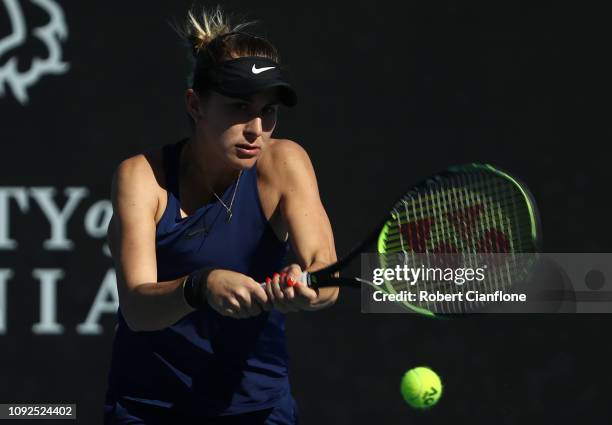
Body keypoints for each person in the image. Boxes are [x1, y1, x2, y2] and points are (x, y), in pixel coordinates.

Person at [103, 7, 339, 425]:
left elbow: (326, 274)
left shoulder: (286, 163)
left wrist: (306, 287)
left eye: (269, 111)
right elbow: (138, 308)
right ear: (195, 105)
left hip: (258, 408)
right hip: (149, 409)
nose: (256, 129)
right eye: (239, 107)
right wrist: (202, 285)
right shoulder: (142, 177)